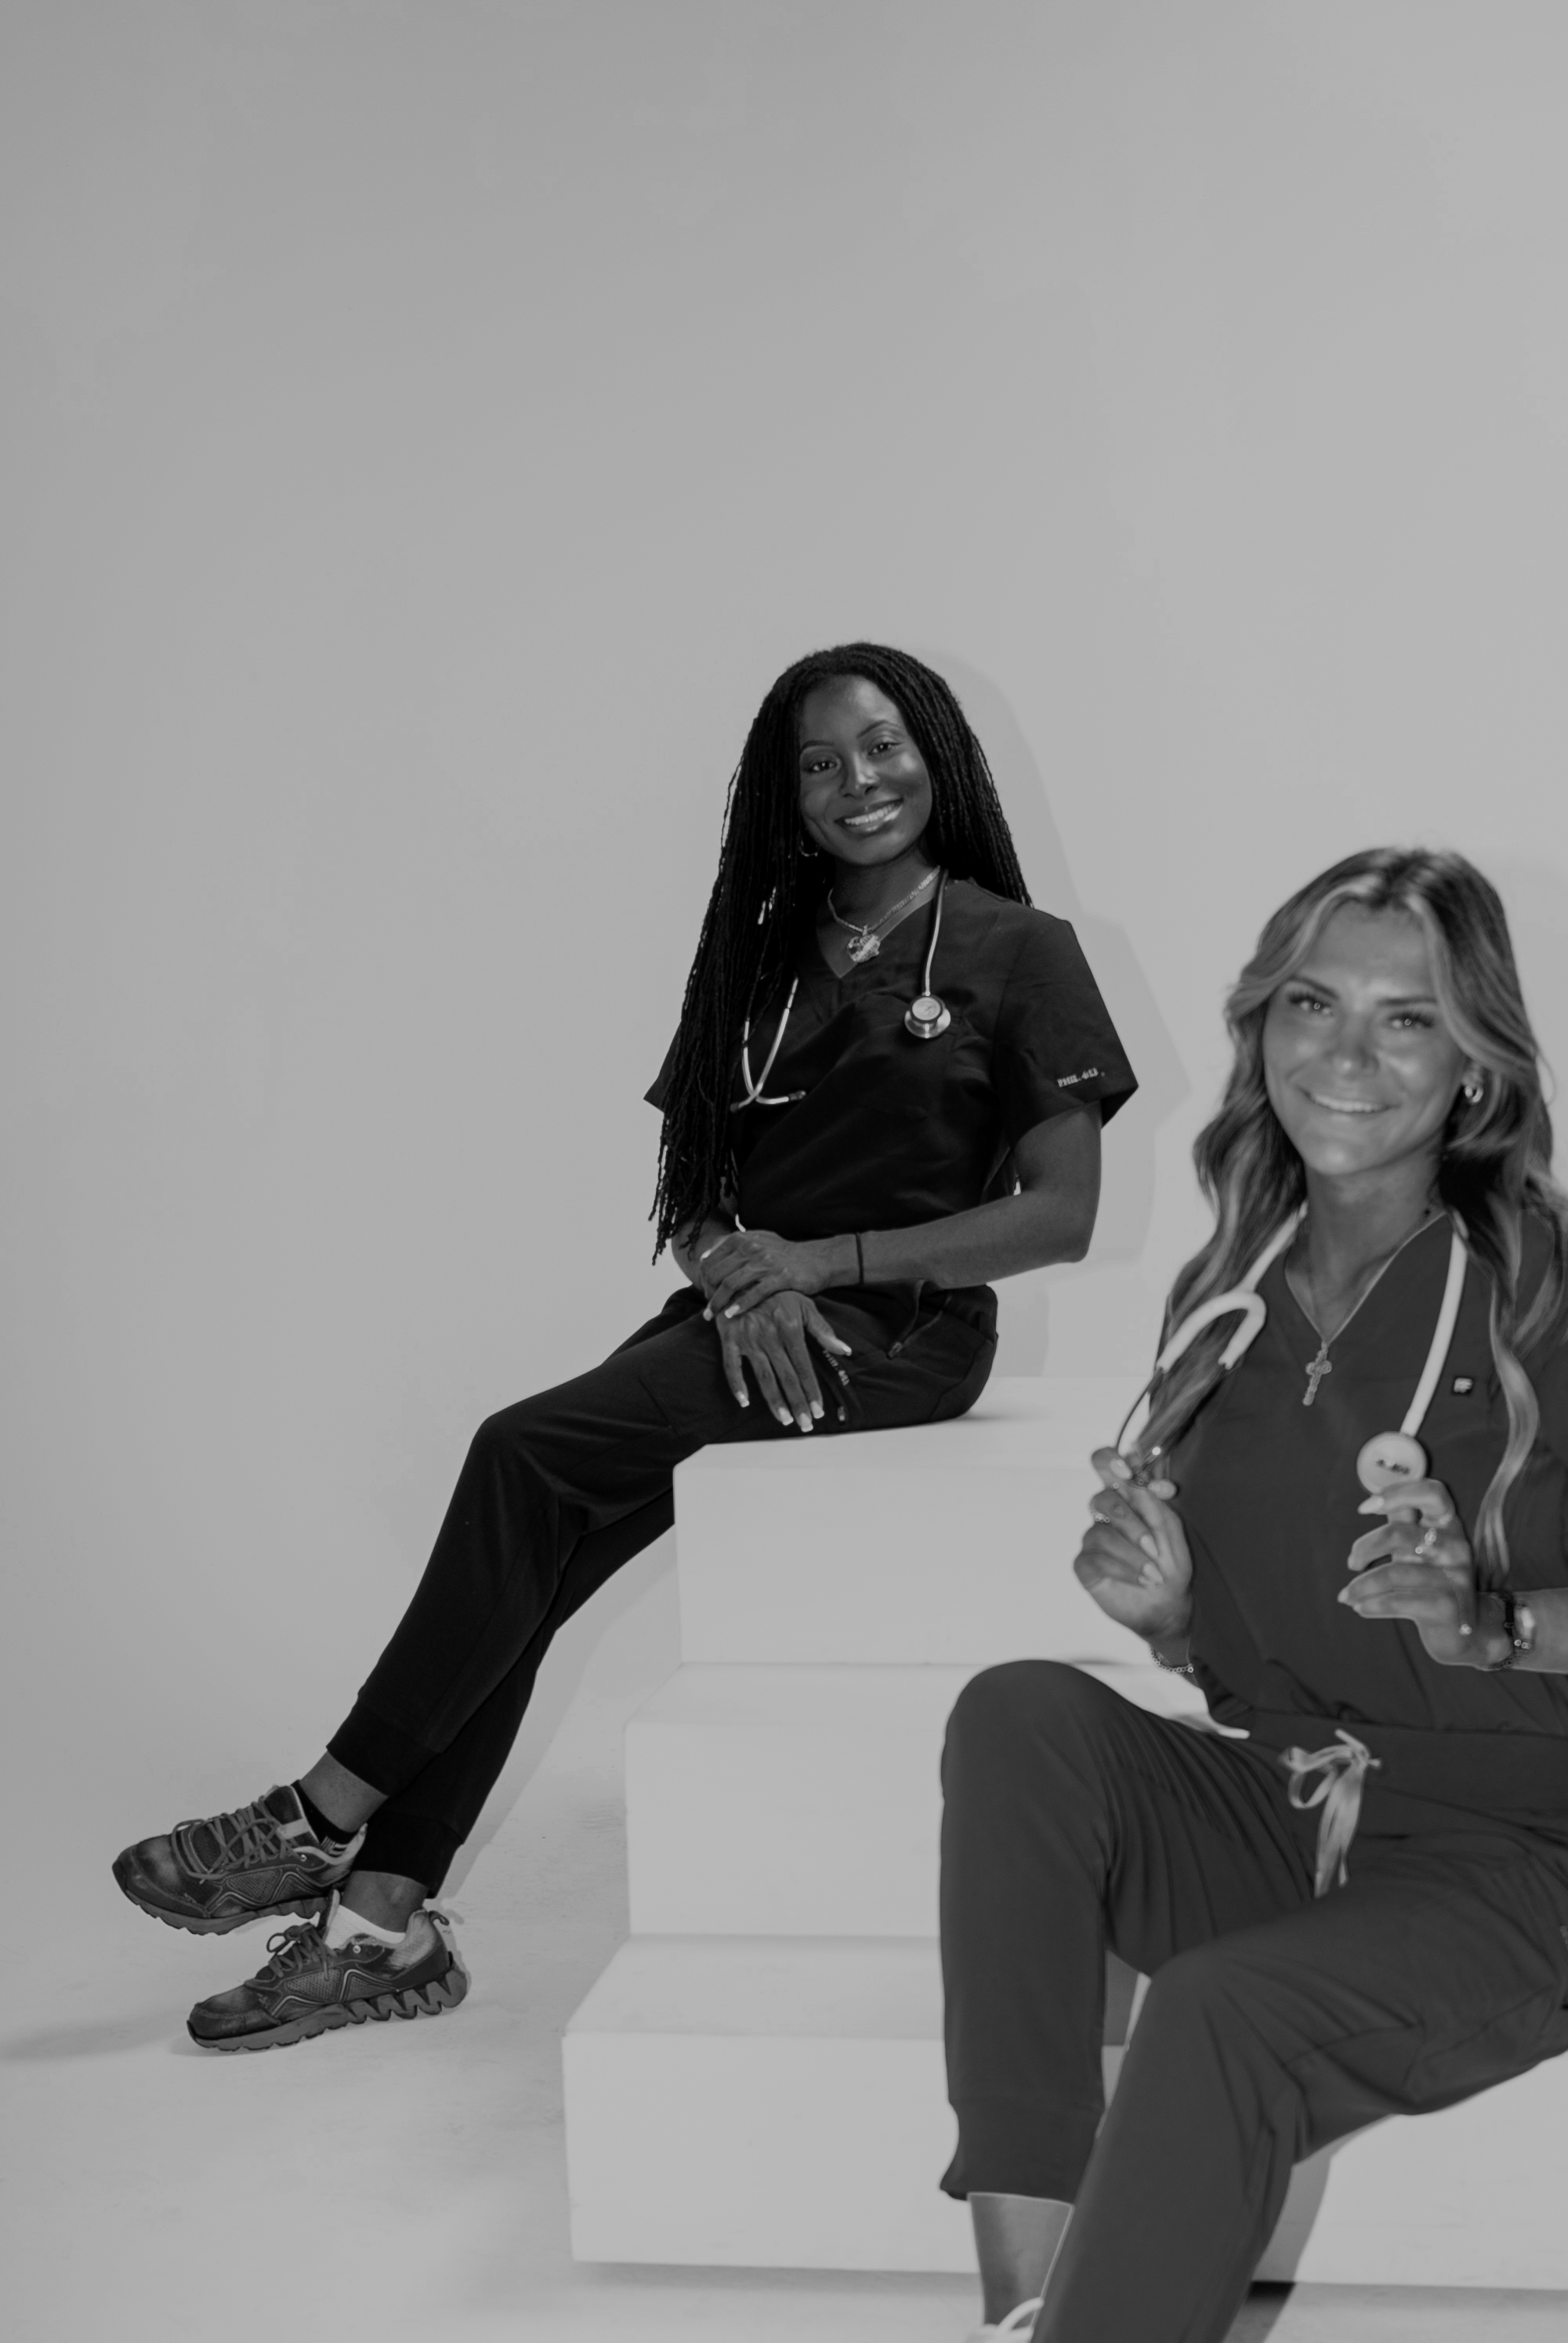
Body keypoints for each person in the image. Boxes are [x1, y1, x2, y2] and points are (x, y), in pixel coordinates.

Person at [639, 846, 1568, 2343]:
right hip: (1280, 1799)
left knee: (1221, 2014)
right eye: (1314, 1002)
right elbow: (1244, 1668)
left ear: (1478, 1064)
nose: (1350, 1052)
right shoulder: (1221, 1298)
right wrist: (1161, 1616)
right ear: (1263, 1025)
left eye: (1408, 1016)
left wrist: (1497, 1618)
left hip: (1496, 1864)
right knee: (1022, 1711)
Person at [113, 646, 1136, 2051]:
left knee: (521, 1453)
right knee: (530, 1567)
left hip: (903, 1334)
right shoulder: (757, 958)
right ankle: (378, 1933)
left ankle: (320, 1814)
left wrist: (821, 1267)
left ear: (939, 759)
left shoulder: (1021, 950)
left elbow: (1061, 1217)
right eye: (819, 764)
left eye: (884, 746)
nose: (858, 782)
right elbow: (696, 1193)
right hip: (739, 1321)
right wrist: (744, 1285)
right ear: (784, 799)